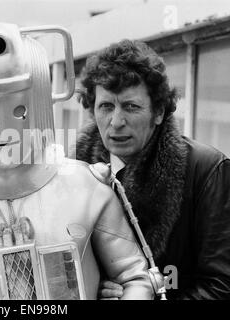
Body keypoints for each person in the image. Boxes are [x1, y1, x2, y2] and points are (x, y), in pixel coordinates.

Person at [0, 22, 154, 300]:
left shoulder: (87, 187)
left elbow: (136, 278)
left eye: (20, 111)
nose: (3, 128)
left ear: (39, 104)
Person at [76, 39, 230, 299]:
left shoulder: (206, 170)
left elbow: (222, 286)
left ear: (158, 112)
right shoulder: (75, 173)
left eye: (131, 106)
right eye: (106, 106)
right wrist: (95, 286)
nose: (116, 122)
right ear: (92, 110)